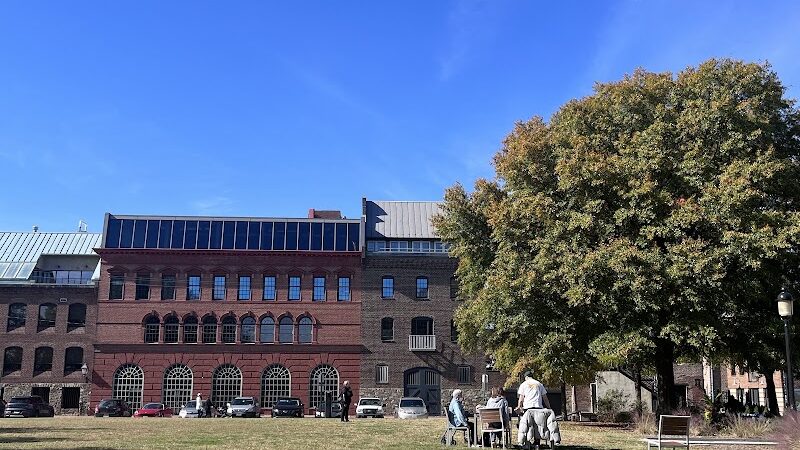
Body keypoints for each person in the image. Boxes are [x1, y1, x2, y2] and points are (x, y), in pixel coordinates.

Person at [516, 371, 553, 449]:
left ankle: (527, 442)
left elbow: (521, 398)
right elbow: (545, 398)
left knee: (527, 425)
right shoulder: (539, 384)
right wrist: (549, 408)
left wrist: (519, 406)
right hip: (538, 408)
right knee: (538, 425)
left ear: (526, 377)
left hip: (528, 409)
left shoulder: (523, 384)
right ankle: (537, 443)